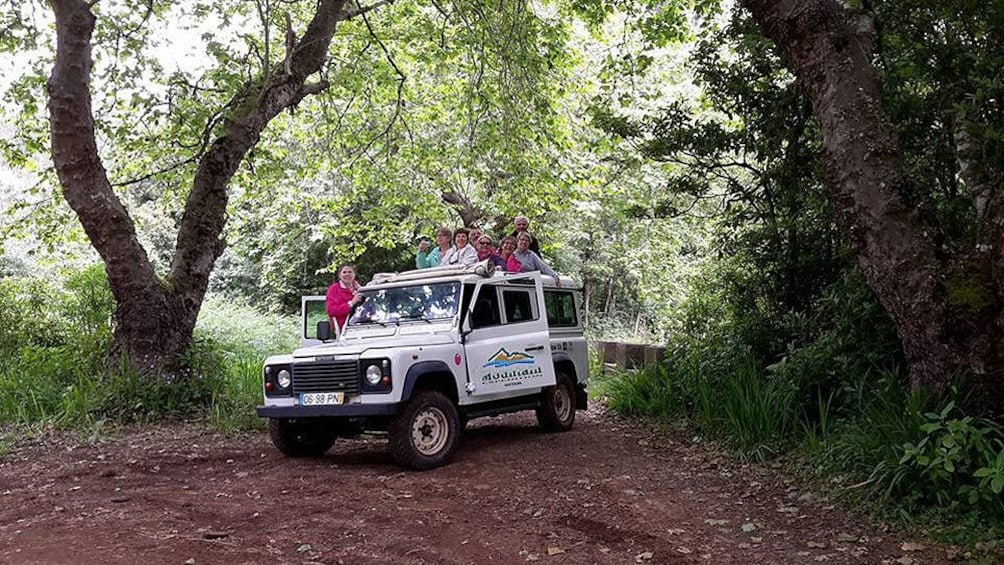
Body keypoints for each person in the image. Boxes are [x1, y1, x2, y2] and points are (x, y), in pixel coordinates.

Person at [326, 263, 364, 334]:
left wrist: (363, 291)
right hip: (343, 330)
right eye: (344, 272)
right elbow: (331, 311)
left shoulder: (359, 289)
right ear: (340, 275)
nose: (347, 274)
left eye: (350, 272)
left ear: (354, 274)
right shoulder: (334, 289)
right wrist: (351, 303)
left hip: (364, 326)